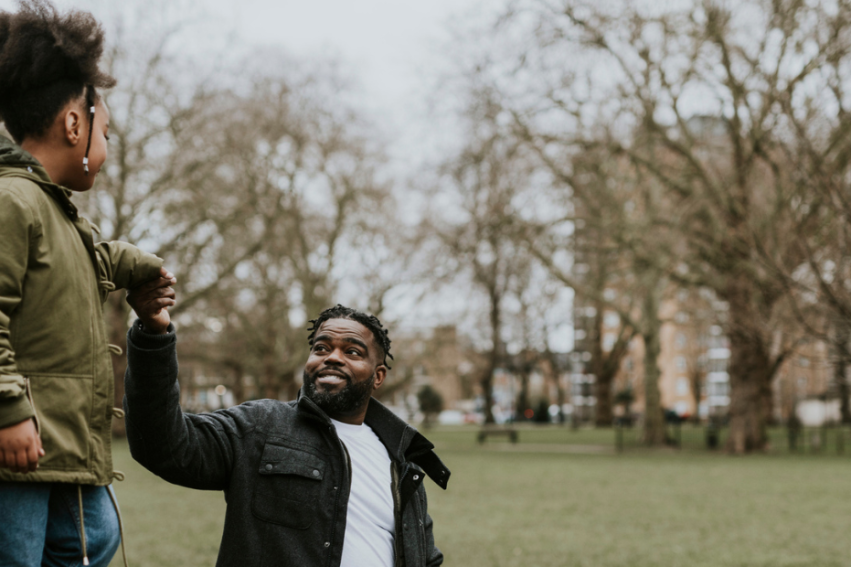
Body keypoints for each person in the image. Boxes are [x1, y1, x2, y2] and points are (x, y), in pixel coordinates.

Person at [0, 2, 171, 566]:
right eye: (106, 131)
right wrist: (9, 410)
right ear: (75, 123)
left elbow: (95, 257)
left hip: (66, 443)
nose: (107, 144)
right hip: (20, 447)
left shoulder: (62, 215)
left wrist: (143, 267)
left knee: (93, 540)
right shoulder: (12, 201)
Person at [123, 280, 450, 567]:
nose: (332, 357)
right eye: (321, 347)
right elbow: (163, 445)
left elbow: (425, 556)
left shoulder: (402, 463)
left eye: (352, 351)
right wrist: (154, 333)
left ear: (378, 376)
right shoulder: (261, 426)